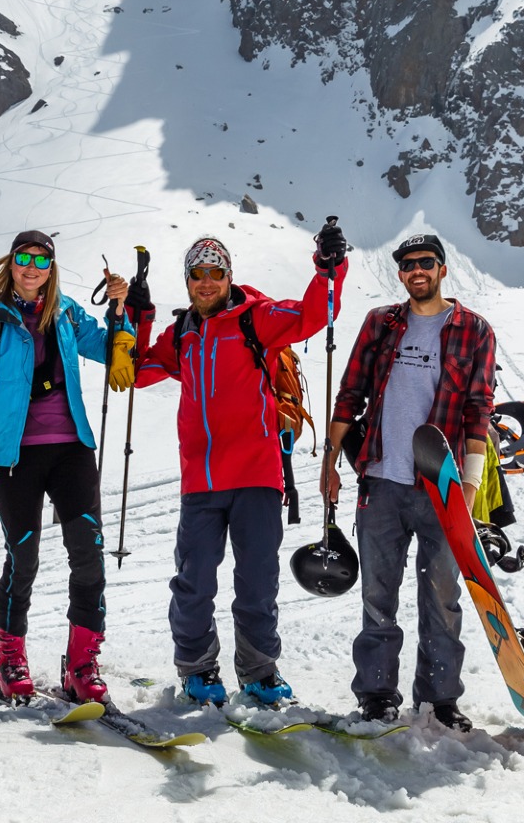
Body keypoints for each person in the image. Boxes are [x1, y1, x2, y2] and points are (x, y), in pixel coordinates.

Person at [131, 222, 349, 707]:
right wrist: (138, 318)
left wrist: (328, 267)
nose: (206, 282)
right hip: (201, 481)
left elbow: (318, 313)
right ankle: (197, 669)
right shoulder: (181, 333)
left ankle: (259, 672)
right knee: (195, 580)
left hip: (257, 475)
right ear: (187, 281)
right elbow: (140, 372)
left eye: (215, 272)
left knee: (256, 581)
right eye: (197, 274)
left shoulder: (257, 318)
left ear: (229, 276)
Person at [0, 231, 134, 703]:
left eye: (41, 261)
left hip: (72, 449)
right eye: (23, 258)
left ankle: (83, 661)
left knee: (88, 548)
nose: (31, 267)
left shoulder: (66, 314)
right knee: (23, 556)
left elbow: (108, 348)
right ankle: (10, 655)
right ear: (12, 264)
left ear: (51, 268)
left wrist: (122, 311)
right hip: (13, 455)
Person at [319, 232, 494, 733]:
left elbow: (479, 410)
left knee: (441, 597)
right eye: (407, 265)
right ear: (400, 273)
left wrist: (473, 485)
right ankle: (376, 696)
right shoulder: (381, 323)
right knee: (378, 597)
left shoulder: (473, 331)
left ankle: (439, 700)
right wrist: (331, 462)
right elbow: (350, 393)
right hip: (379, 480)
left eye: (426, 263)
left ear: (442, 268)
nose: (416, 271)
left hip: (441, 486)